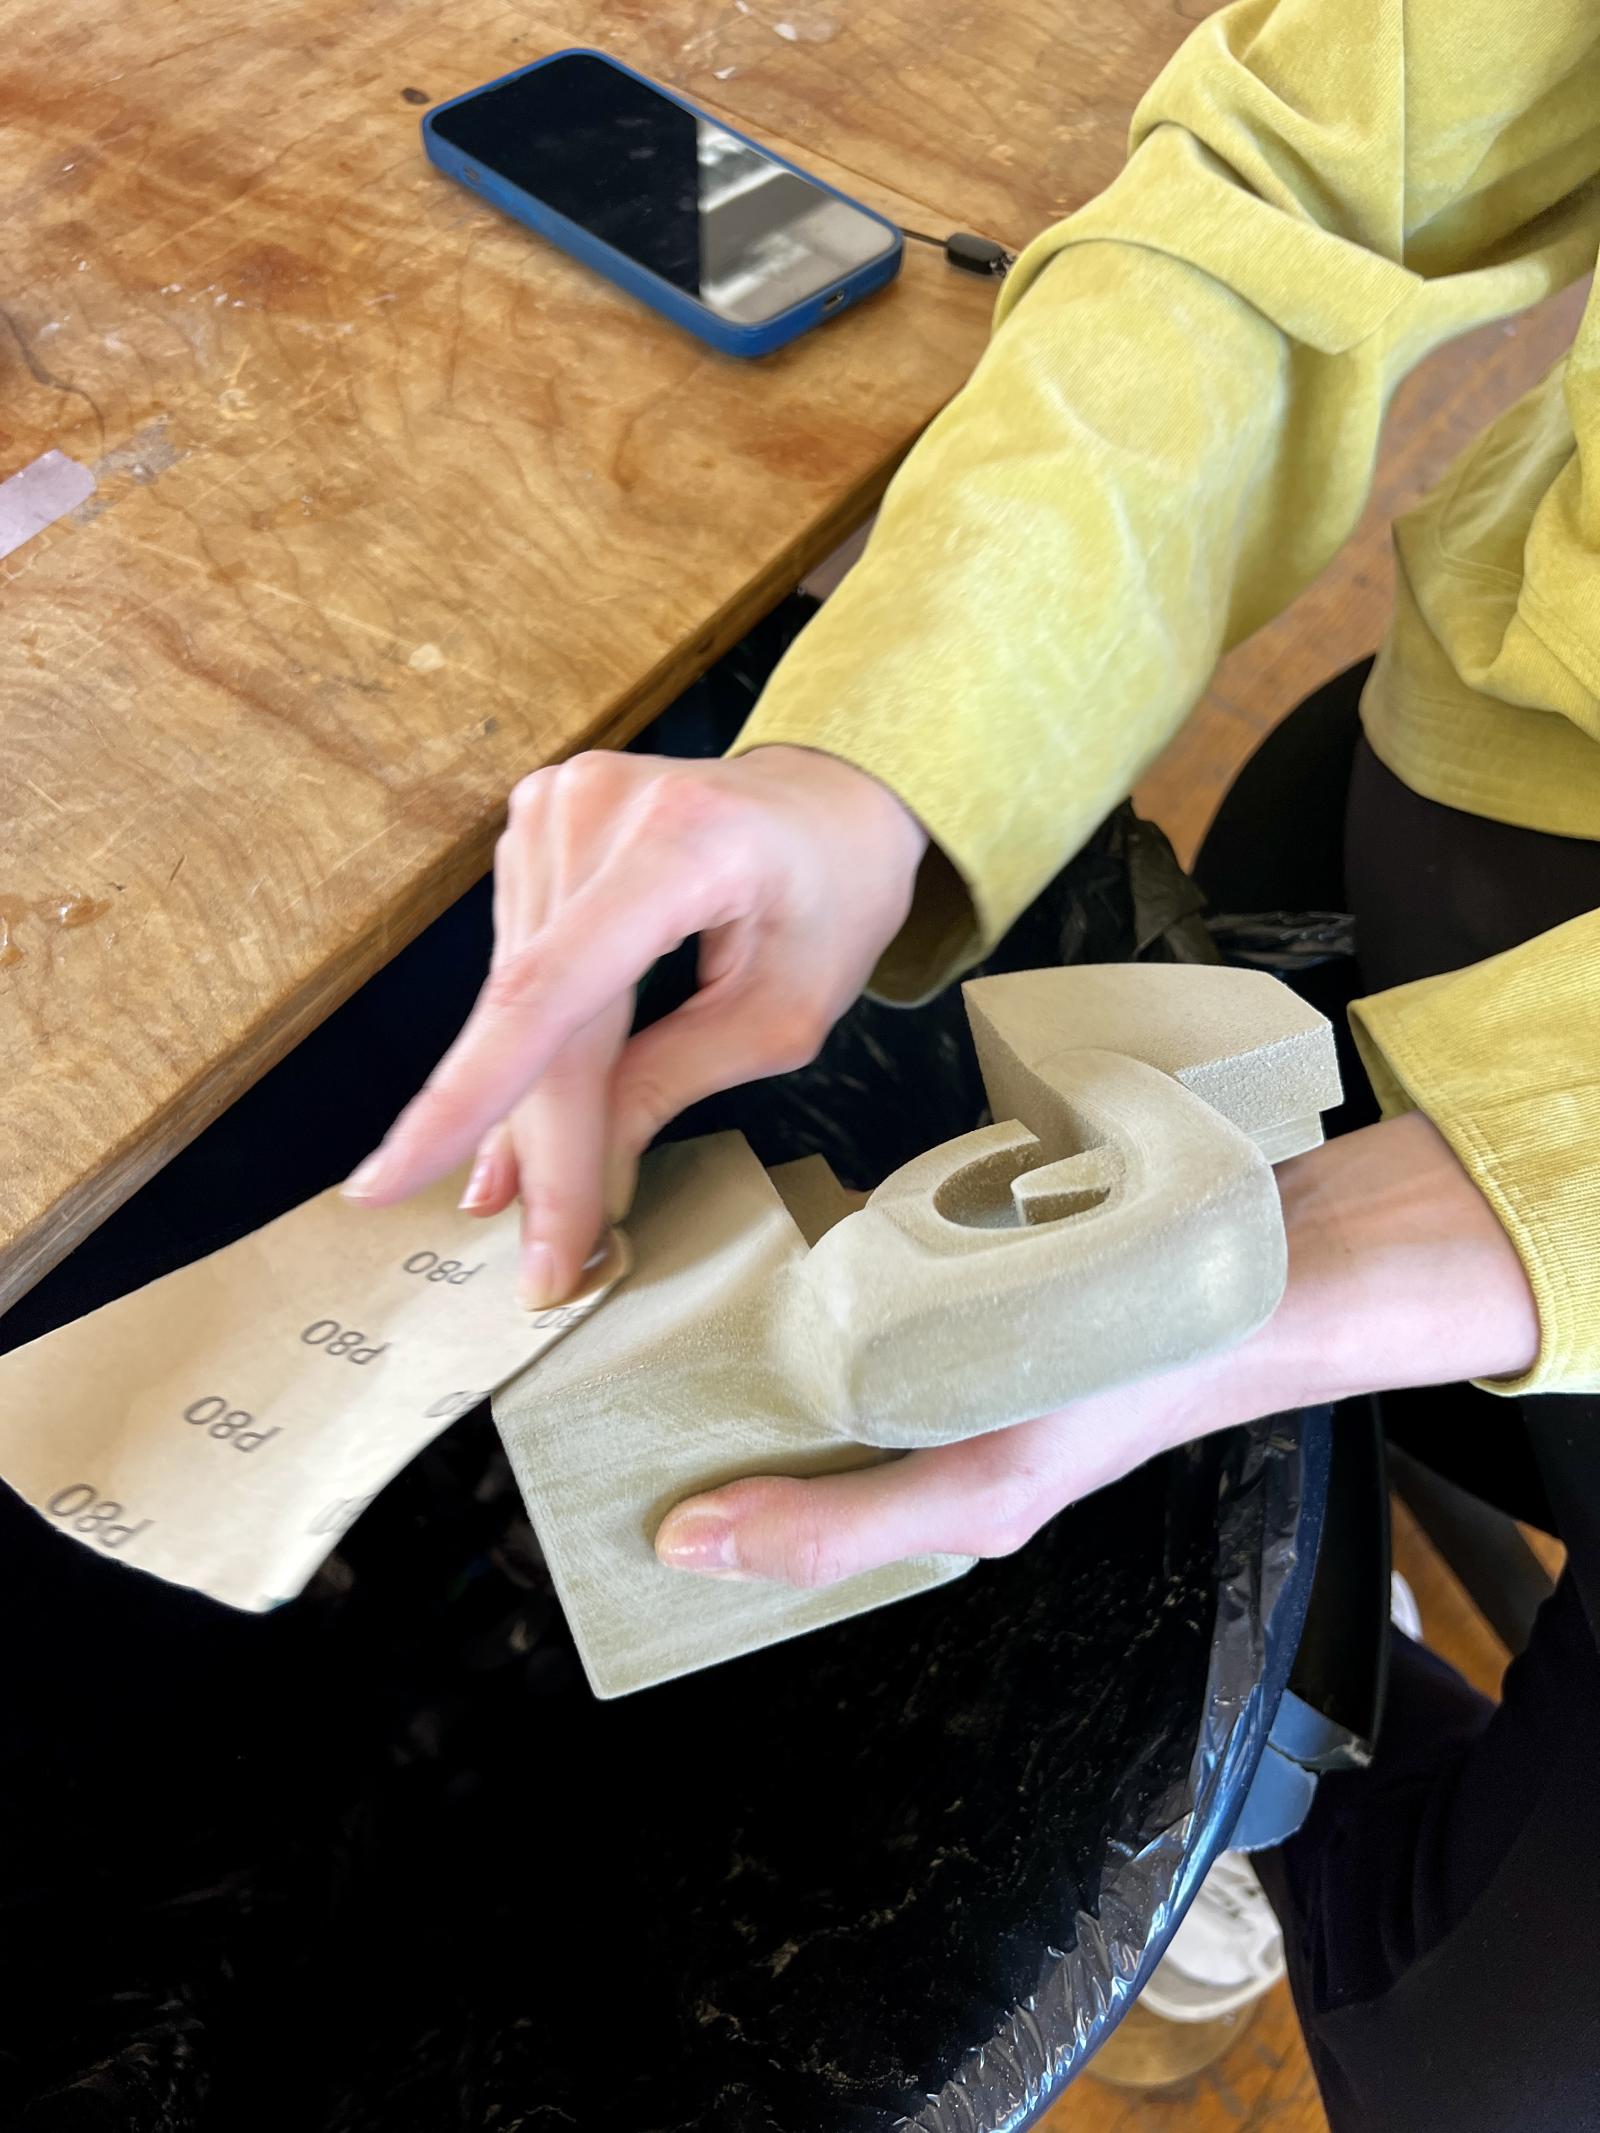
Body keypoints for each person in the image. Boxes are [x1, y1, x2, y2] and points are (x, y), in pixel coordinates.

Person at [343, 2, 1600, 2124]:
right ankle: (1286, 1602)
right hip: (1517, 769)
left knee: (1484, 2066)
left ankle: (1289, 1734)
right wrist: (886, 743)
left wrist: (1458, 1203)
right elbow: (1313, 170)